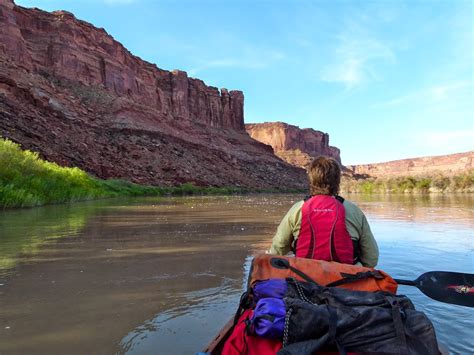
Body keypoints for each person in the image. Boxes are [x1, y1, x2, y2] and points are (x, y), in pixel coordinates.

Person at [269, 156, 379, 268]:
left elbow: (277, 251)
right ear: (337, 181)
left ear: (311, 180)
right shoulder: (354, 211)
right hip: (347, 278)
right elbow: (371, 259)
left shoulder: (297, 209)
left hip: (304, 280)